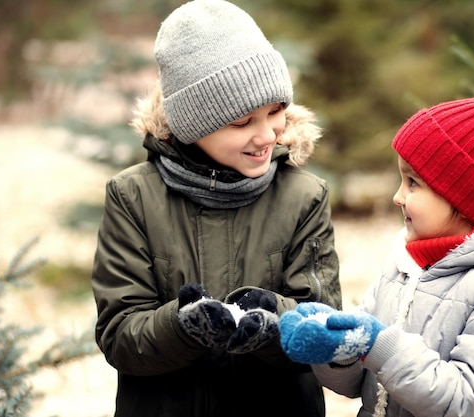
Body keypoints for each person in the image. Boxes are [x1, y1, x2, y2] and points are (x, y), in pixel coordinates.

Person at [90, 1, 341, 416]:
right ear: (194, 125)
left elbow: (323, 330)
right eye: (242, 122)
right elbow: (120, 335)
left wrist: (273, 323)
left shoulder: (304, 196)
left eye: (275, 111)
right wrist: (183, 326)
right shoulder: (132, 196)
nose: (266, 135)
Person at [279, 69, 474, 417]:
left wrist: (378, 344)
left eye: (413, 183)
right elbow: (360, 383)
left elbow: (469, 401)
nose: (398, 196)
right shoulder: (407, 262)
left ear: (468, 197)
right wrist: (337, 347)